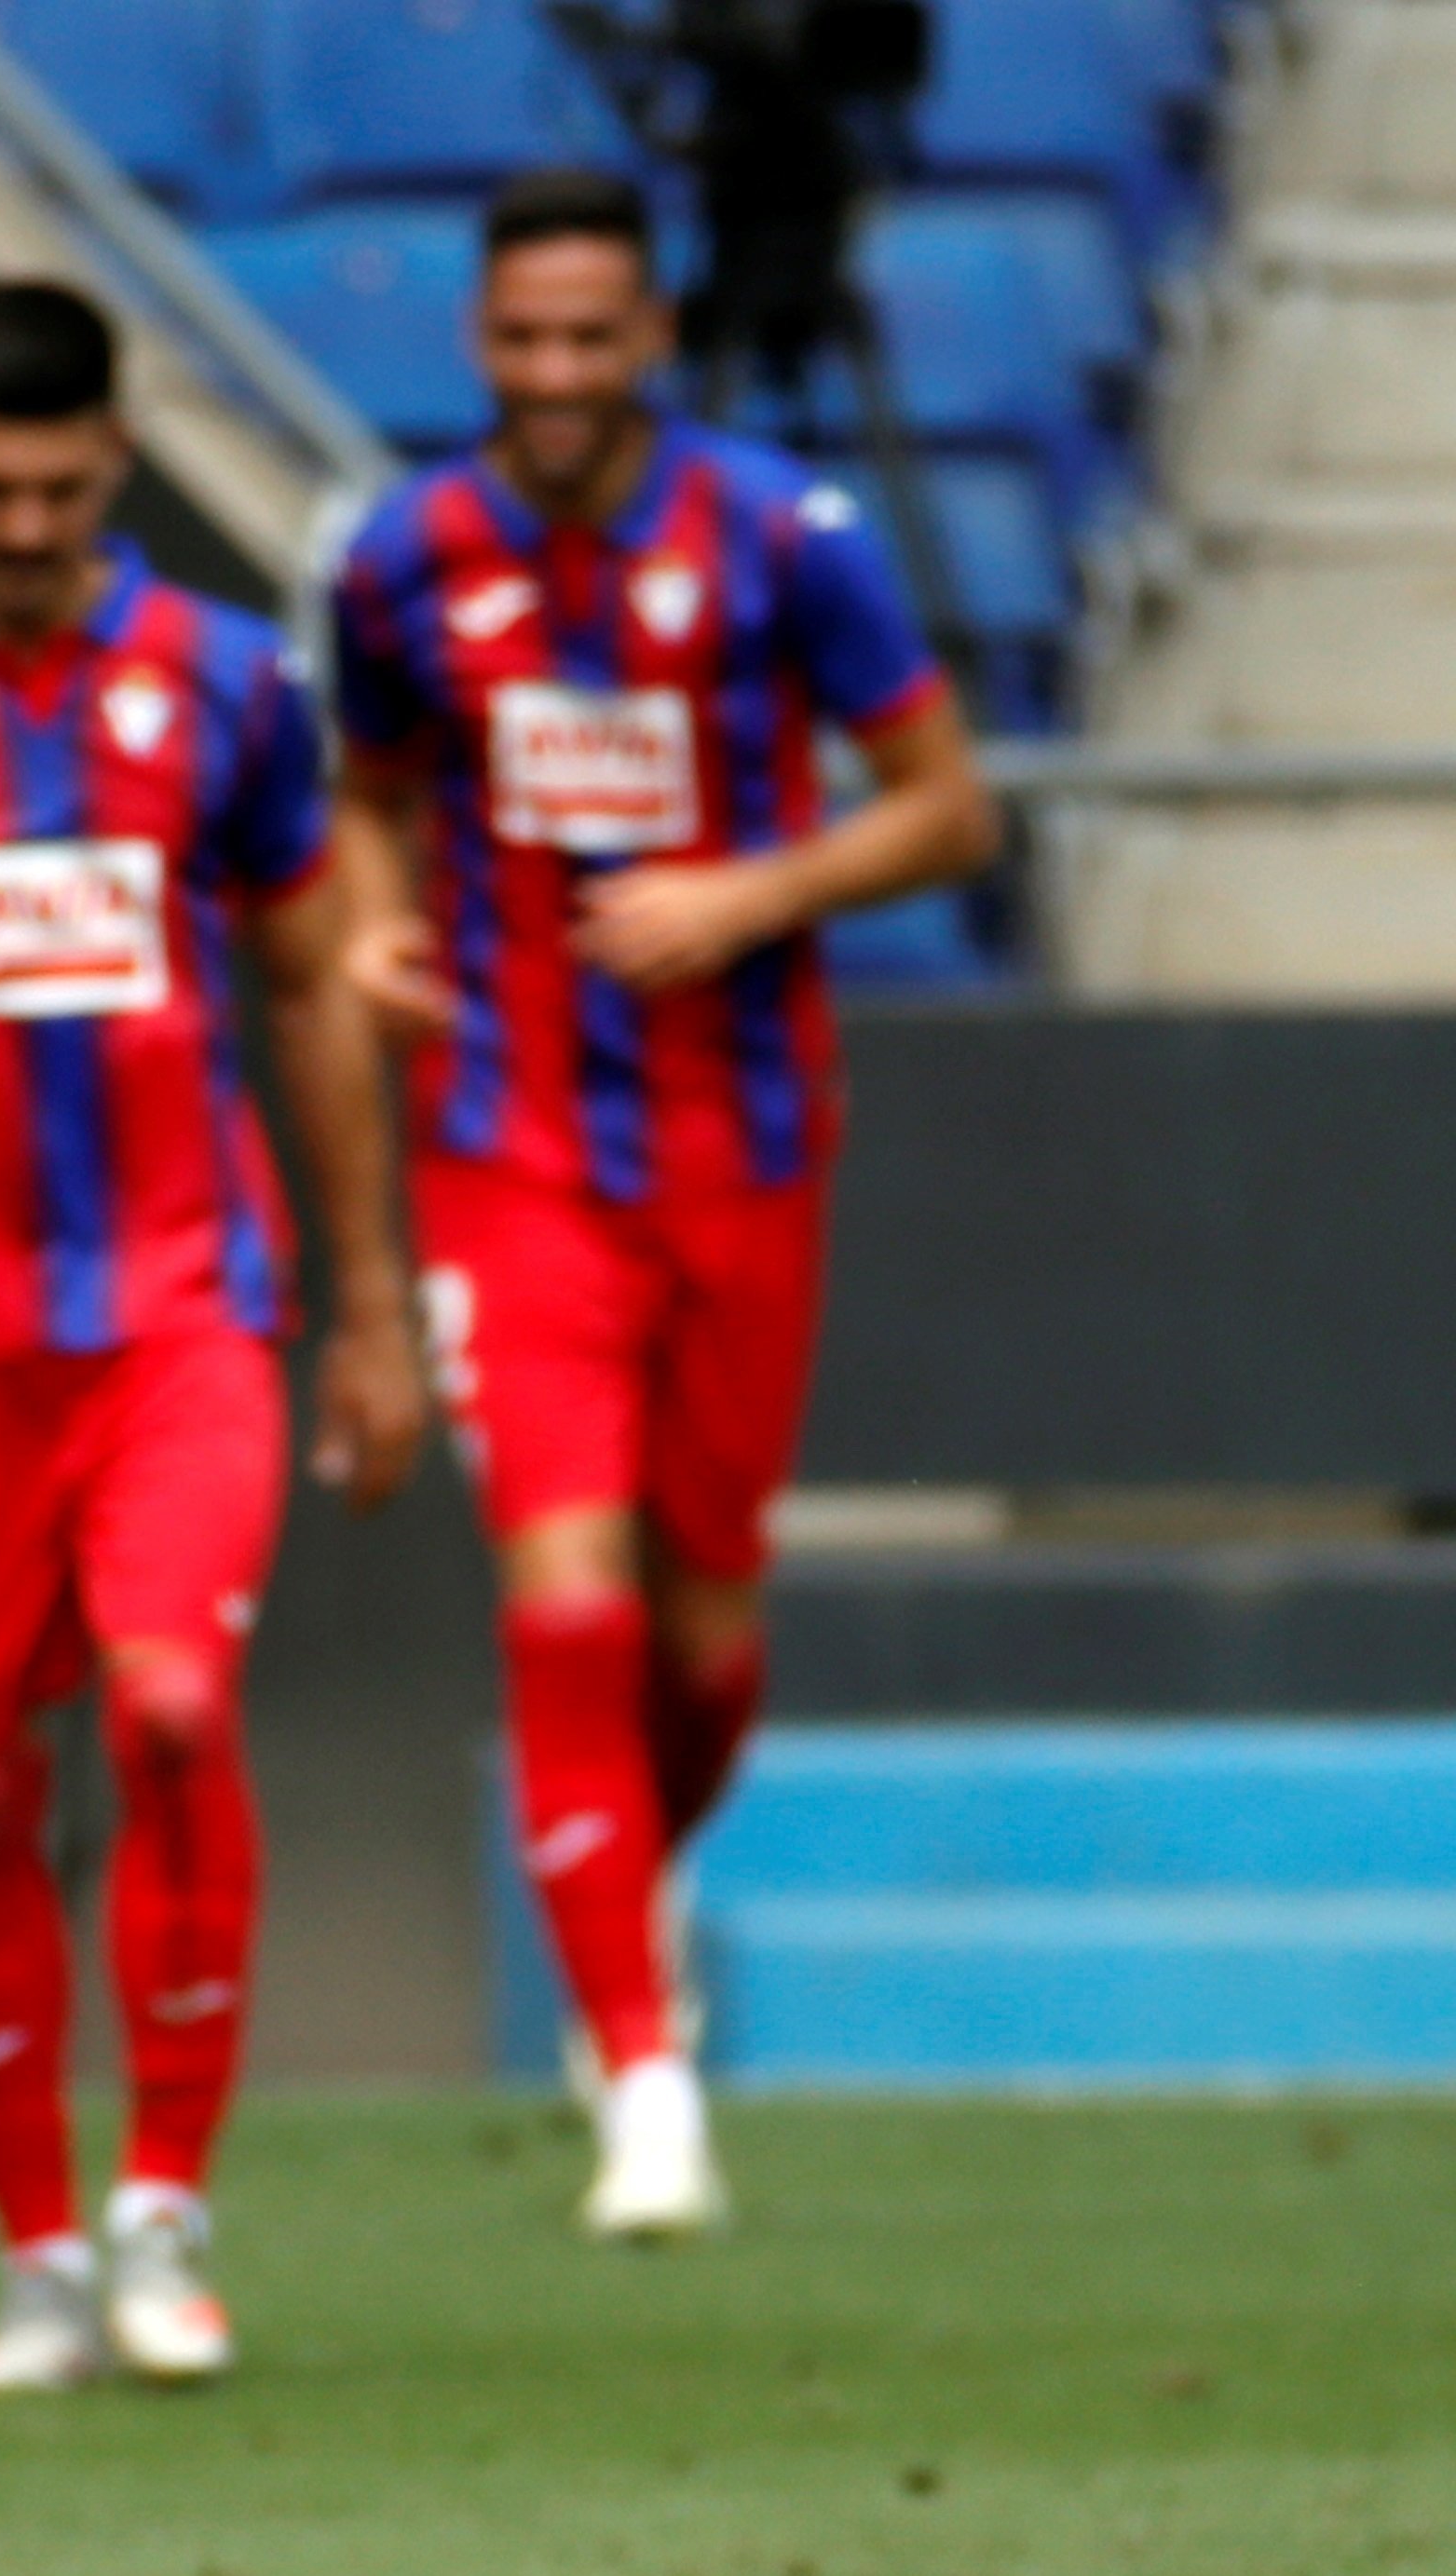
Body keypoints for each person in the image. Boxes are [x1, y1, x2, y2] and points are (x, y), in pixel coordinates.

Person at [0, 280, 429, 2393]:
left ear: (112, 461)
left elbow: (307, 987)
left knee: (173, 1708)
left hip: (179, 1310)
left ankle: (162, 2209)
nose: (26, 519)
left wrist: (368, 1301)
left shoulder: (223, 686)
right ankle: (32, 2247)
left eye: (62, 483)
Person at [327, 168, 997, 2238]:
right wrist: (369, 930)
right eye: (517, 342)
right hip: (515, 1152)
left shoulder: (786, 541)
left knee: (704, 1639)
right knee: (568, 1594)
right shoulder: (404, 562)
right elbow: (370, 797)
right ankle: (646, 2081)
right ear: (479, 346)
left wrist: (753, 892)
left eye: (586, 341)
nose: (549, 377)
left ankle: (642, 1869)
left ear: (653, 343)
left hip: (744, 1156)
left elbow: (952, 806)